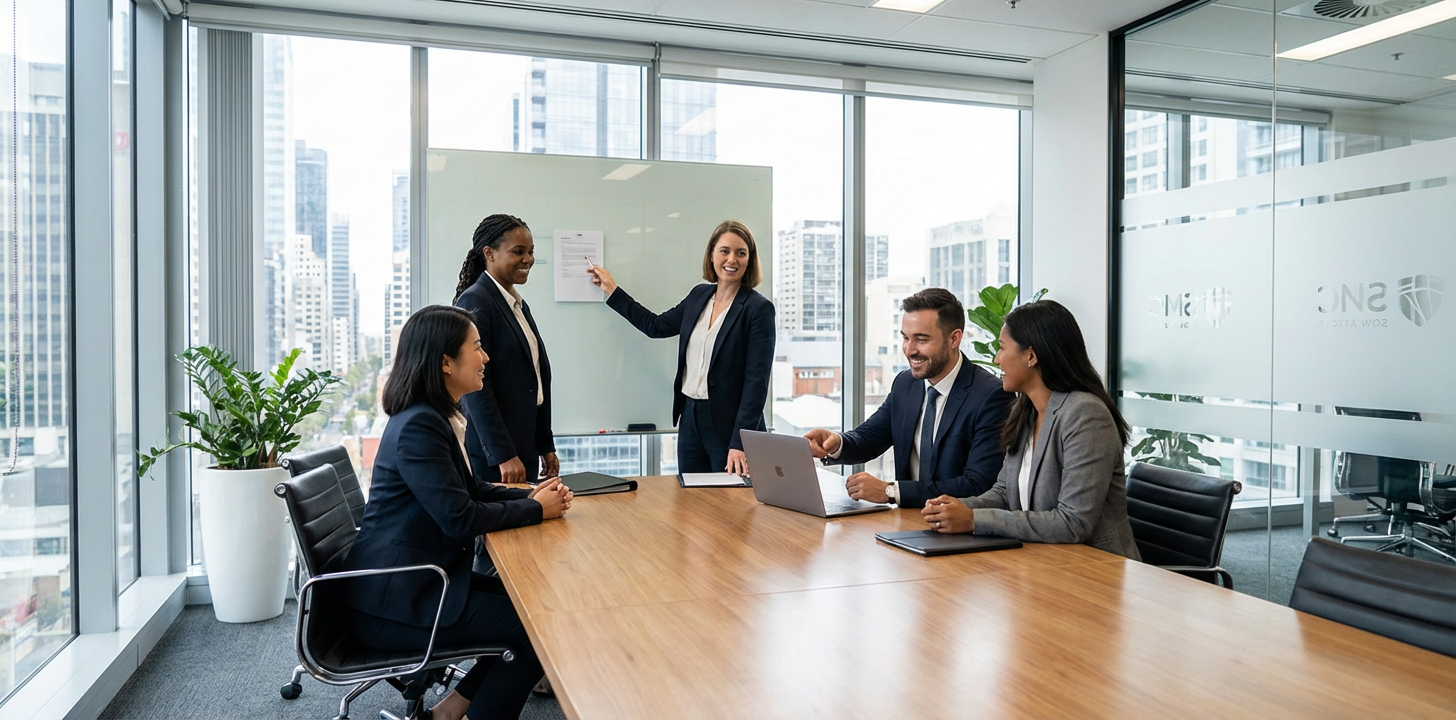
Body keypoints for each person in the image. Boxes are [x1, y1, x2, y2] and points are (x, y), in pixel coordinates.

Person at [345, 305, 573, 720]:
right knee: (535, 630)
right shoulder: (419, 426)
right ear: (446, 362)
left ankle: (446, 714)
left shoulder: (430, 417)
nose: (486, 358)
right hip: (396, 601)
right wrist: (534, 511)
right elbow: (460, 518)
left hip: (416, 582)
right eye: (478, 348)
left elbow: (469, 490)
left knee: (530, 605)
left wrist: (526, 494)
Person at [920, 299, 1141, 560]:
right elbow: (1003, 493)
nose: (997, 359)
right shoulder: (1025, 410)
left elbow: (1073, 522)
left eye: (1002, 348)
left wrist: (973, 520)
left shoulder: (1086, 414)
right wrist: (953, 509)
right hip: (1043, 562)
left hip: (1096, 569)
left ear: (1031, 356)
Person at [586, 220, 775, 475]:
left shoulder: (758, 309)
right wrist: (612, 289)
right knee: (690, 501)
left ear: (749, 260)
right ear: (711, 255)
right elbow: (656, 326)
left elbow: (757, 381)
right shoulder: (699, 296)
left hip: (729, 425)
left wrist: (740, 443)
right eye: (724, 251)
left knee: (728, 506)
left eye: (741, 253)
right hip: (690, 417)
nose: (732, 259)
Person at [803, 288, 1013, 509]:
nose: (909, 350)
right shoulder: (906, 383)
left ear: (954, 339)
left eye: (921, 339)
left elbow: (978, 483)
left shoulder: (992, 395)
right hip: (906, 521)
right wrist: (835, 443)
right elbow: (871, 437)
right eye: (905, 338)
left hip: (957, 527)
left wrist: (890, 492)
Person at [454, 214, 557, 486]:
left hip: (524, 446)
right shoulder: (476, 300)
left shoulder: (517, 305)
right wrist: (502, 455)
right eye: (518, 252)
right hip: (498, 458)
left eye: (531, 252)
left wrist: (545, 444)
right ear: (489, 253)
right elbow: (475, 388)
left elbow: (535, 381)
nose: (528, 259)